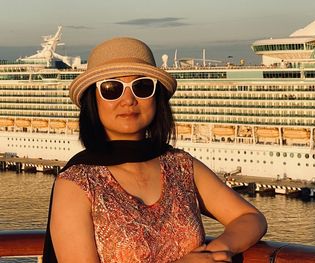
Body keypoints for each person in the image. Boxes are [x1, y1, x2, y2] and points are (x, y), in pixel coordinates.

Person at [43, 37, 267, 263]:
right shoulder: (78, 183)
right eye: (112, 89)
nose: (129, 100)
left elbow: (249, 217)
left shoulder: (180, 166)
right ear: (94, 100)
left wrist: (219, 250)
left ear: (156, 98)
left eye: (142, 87)